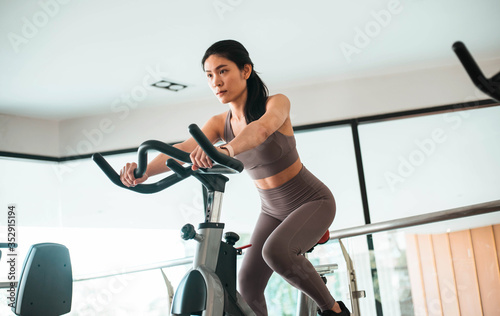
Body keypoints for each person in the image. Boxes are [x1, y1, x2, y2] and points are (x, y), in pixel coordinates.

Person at [120, 40, 350, 316]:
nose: (216, 81)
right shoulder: (220, 122)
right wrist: (142, 172)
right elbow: (184, 149)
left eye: (223, 71)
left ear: (246, 70)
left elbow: (261, 130)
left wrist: (226, 149)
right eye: (209, 75)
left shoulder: (276, 103)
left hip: (312, 201)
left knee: (276, 252)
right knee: (248, 284)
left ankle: (335, 311)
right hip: (271, 209)